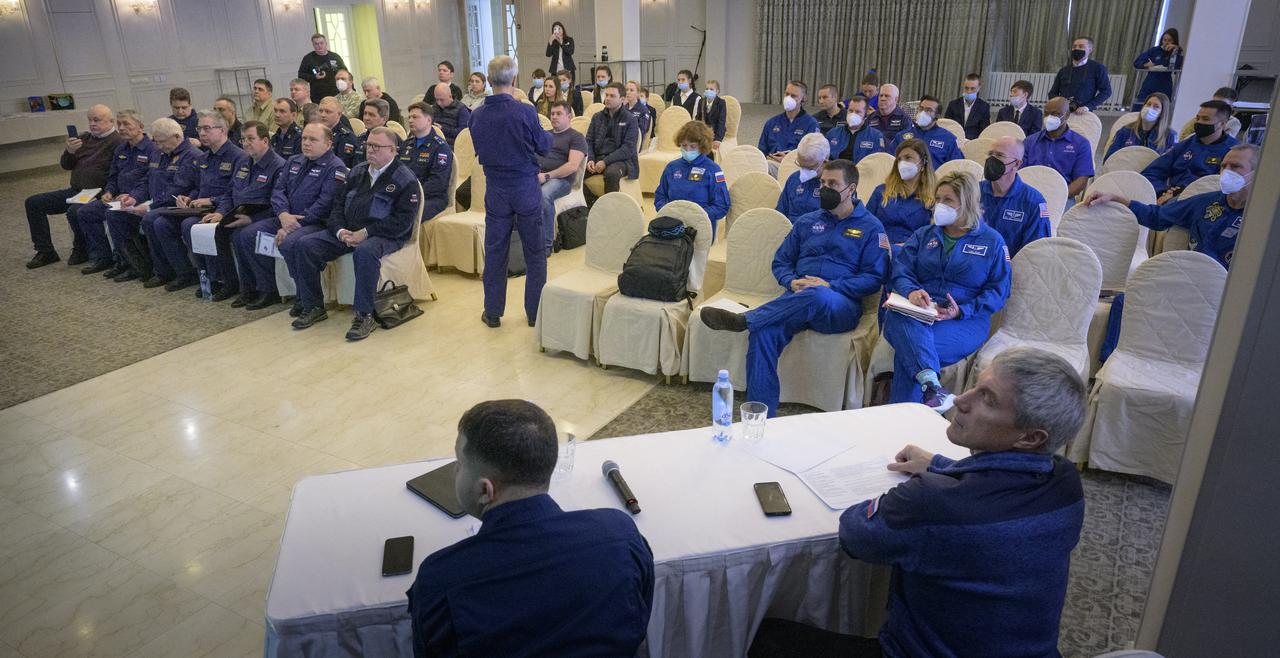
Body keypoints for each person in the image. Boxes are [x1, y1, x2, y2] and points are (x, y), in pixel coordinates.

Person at [751, 347, 1086, 657]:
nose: (960, 399)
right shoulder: (1066, 483)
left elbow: (855, 534)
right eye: (975, 386)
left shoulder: (933, 501)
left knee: (764, 636)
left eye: (988, 399)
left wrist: (921, 489)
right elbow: (997, 486)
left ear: (1030, 437)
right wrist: (942, 465)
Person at [406, 399, 654, 657]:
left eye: (459, 463)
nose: (455, 470)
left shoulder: (441, 578)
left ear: (484, 489)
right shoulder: (619, 535)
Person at [699, 160, 890, 416]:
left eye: (833, 184)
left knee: (817, 294)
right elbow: (781, 262)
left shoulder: (871, 227)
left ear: (851, 188)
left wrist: (831, 284)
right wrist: (790, 280)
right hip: (797, 299)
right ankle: (760, 412)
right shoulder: (807, 222)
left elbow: (874, 278)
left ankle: (746, 319)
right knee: (763, 332)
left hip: (838, 305)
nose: (824, 188)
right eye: (823, 183)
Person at [881, 172, 1011, 410]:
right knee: (894, 315)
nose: (939, 205)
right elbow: (901, 270)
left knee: (909, 353)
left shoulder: (992, 242)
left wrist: (962, 310)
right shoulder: (924, 235)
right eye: (938, 198)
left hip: (965, 320)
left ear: (967, 203)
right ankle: (932, 390)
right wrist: (911, 291)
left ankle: (905, 414)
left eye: (948, 200)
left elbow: (998, 291)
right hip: (919, 311)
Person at [287, 127, 418, 340]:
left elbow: (402, 222)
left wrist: (366, 233)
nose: (370, 150)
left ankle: (364, 315)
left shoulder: (404, 179)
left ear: (393, 150)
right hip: (349, 230)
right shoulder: (357, 172)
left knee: (365, 252)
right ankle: (313, 306)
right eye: (368, 145)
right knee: (305, 244)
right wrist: (340, 231)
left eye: (377, 147)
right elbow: (337, 206)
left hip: (385, 235)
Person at [471, 56, 552, 328]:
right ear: (514, 80)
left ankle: (492, 311)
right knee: (534, 252)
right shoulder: (525, 111)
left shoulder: (477, 115)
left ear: (489, 81)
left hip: (495, 188)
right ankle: (535, 312)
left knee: (495, 251)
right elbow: (543, 146)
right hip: (525, 186)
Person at [1090, 143, 1256, 270]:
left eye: (1235, 167)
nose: (1226, 172)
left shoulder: (1263, 220)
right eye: (1223, 166)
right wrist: (1116, 198)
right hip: (1189, 277)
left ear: (1258, 172)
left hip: (1231, 293)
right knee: (1122, 302)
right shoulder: (1207, 202)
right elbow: (1157, 217)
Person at [242, 122, 348, 311]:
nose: (306, 143)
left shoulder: (335, 168)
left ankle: (305, 298)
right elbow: (278, 191)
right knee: (248, 235)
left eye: (313, 139)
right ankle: (268, 289)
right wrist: (283, 214)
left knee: (290, 243)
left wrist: (291, 225)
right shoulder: (294, 161)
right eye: (305, 138)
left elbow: (324, 205)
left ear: (328, 144)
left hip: (314, 222)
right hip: (286, 217)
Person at [142, 109, 245, 292]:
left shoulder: (238, 157)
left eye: (207, 128)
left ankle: (218, 279)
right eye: (199, 129)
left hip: (223, 208)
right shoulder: (204, 157)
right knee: (161, 223)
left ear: (222, 130)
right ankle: (186, 273)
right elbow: (199, 186)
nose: (202, 133)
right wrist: (189, 197)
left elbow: (235, 192)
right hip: (199, 207)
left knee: (190, 225)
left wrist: (212, 202)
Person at [191, 121, 286, 303]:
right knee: (214, 229)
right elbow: (229, 192)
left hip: (267, 216)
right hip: (239, 213)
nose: (246, 143)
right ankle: (234, 284)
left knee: (244, 235)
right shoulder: (243, 161)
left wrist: (251, 219)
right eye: (243, 139)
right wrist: (220, 213)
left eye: (251, 139)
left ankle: (268, 289)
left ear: (265, 141)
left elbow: (278, 202)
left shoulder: (278, 166)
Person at [24, 104, 123, 269]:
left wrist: (108, 192)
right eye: (90, 120)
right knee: (33, 203)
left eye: (97, 120)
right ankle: (45, 251)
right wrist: (69, 151)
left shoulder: (117, 142)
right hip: (76, 191)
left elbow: (117, 173)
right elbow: (66, 165)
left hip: (99, 193)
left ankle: (81, 248)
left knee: (75, 211)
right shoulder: (84, 138)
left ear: (111, 121)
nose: (92, 124)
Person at [107, 118, 200, 283]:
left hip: (176, 205)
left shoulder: (192, 156)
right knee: (115, 214)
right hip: (154, 202)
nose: (158, 146)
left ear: (177, 137)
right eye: (156, 142)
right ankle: (138, 266)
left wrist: (149, 206)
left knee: (152, 220)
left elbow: (178, 188)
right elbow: (147, 180)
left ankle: (171, 272)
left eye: (162, 142)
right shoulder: (159, 153)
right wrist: (134, 197)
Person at [75, 110, 161, 276]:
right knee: (85, 212)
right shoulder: (121, 149)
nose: (121, 128)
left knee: (114, 215)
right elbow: (113, 176)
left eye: (126, 124)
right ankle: (104, 257)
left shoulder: (152, 150)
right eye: (119, 124)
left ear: (140, 126)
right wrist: (109, 191)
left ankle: (132, 264)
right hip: (118, 198)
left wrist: (133, 196)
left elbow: (148, 181)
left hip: (141, 199)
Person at [1144, 99, 1239, 200]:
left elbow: (1221, 187)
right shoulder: (1186, 144)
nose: (1199, 122)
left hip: (1200, 201)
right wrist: (1162, 191)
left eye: (1205, 119)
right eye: (1197, 118)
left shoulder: (1233, 152)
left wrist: (1181, 193)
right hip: (1168, 196)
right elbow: (1152, 172)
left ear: (1222, 124)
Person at [655, 122, 730, 239]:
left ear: (702, 146)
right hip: (672, 226)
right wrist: (668, 212)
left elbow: (722, 205)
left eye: (693, 146)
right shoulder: (672, 167)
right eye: (684, 145)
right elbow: (660, 196)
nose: (688, 150)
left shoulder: (713, 170)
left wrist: (695, 216)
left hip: (700, 228)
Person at [981, 136, 1051, 257]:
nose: (991, 159)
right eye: (990, 154)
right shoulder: (973, 192)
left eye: (999, 155)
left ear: (1017, 164)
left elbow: (1035, 252)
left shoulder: (1033, 202)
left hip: (1011, 270)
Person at [867, 138, 937, 253]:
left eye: (908, 158)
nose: (902, 163)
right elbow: (866, 223)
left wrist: (906, 246)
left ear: (923, 162)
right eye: (899, 159)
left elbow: (934, 235)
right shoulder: (881, 191)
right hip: (877, 248)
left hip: (914, 252)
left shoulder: (934, 196)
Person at [537, 101, 587, 254]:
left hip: (562, 181)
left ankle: (546, 245)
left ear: (569, 116)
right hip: (538, 174)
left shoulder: (576, 137)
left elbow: (572, 166)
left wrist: (546, 176)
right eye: (552, 114)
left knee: (544, 195)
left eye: (559, 114)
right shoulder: (546, 135)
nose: (554, 117)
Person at [1023, 97, 1094, 198]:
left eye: (1055, 114)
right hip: (1029, 196)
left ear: (1067, 115)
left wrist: (1058, 199)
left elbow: (1081, 180)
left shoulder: (1081, 144)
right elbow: (1020, 173)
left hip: (1063, 197)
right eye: (1046, 113)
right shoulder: (1029, 141)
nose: (1049, 118)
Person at [583, 82, 639, 206]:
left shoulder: (630, 119)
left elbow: (628, 148)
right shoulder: (597, 117)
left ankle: (610, 208)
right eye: (606, 95)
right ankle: (591, 202)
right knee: (575, 171)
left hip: (621, 160)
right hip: (598, 158)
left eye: (612, 96)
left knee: (611, 174)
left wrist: (605, 162)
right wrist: (590, 159)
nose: (607, 98)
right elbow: (589, 141)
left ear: (622, 99)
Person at [399, 102, 454, 223]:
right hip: (405, 195)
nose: (410, 120)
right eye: (409, 117)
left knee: (403, 212)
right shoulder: (406, 145)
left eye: (415, 117)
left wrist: (411, 194)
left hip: (430, 199)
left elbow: (437, 182)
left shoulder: (440, 147)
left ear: (429, 120)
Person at [759, 80, 820, 174]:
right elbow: (761, 150)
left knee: (765, 168)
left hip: (796, 167)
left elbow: (812, 156)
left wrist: (789, 159)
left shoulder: (811, 124)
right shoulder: (771, 123)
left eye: (793, 96)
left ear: (803, 99)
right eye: (787, 94)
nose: (788, 98)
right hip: (771, 162)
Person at [890, 95, 962, 168]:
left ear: (937, 116)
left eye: (928, 110)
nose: (922, 113)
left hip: (934, 177)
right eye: (921, 109)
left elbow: (957, 166)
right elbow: (889, 160)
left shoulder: (948, 139)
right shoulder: (902, 136)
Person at [774, 133, 830, 223]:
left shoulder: (836, 185)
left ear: (824, 162)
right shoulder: (794, 179)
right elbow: (780, 213)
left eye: (809, 167)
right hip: (791, 231)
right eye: (801, 165)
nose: (804, 171)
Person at [1049, 36, 1111, 114]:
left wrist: (1088, 107)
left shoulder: (1098, 68)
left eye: (1081, 46)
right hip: (1062, 112)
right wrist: (1059, 105)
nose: (1077, 49)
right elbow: (1052, 93)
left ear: (1090, 50)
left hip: (1083, 113)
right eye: (1074, 46)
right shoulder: (1064, 70)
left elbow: (1106, 91)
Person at [1105, 92, 1177, 160]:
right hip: (1126, 170)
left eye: (1156, 106)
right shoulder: (1125, 131)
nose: (1150, 109)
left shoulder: (1170, 136)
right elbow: (1109, 158)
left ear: (1162, 113)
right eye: (1148, 104)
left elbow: (1172, 163)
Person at [824, 95, 885, 165]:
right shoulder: (833, 133)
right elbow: (824, 159)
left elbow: (877, 162)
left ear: (865, 115)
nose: (853, 115)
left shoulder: (875, 136)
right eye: (850, 111)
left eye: (858, 112)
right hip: (835, 172)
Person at [1132, 28, 1183, 110]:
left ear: (1174, 41)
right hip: (1150, 82)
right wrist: (1145, 64)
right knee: (1140, 106)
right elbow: (1137, 62)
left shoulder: (1177, 52)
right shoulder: (1155, 50)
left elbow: (1177, 66)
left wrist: (1176, 50)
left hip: (1164, 84)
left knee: (1161, 108)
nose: (1166, 42)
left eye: (1169, 40)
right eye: (1164, 40)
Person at [1178, 87, 1243, 141]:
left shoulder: (1234, 122)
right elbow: (1182, 136)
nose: (1217, 106)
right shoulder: (1200, 117)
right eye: (1214, 102)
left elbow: (1220, 141)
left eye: (1222, 105)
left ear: (1231, 107)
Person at [298, 33, 346, 103]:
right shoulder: (308, 58)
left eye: (321, 43)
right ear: (313, 45)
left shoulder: (335, 57)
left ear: (326, 43)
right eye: (316, 44)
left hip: (336, 94)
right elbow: (301, 75)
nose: (319, 46)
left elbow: (345, 73)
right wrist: (314, 77)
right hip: (318, 97)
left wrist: (351, 89)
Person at [943, 73, 991, 140]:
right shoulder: (953, 104)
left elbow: (984, 130)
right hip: (953, 140)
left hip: (972, 142)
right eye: (966, 88)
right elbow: (946, 125)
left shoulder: (984, 107)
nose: (969, 91)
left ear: (979, 88)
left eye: (973, 88)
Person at [352, 98, 397, 164]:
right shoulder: (360, 139)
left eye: (371, 115)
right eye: (365, 113)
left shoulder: (393, 140)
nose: (366, 118)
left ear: (384, 119)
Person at [317, 97, 359, 167]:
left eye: (327, 112)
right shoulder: (317, 132)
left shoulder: (346, 137)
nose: (323, 115)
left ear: (339, 114)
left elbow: (341, 166)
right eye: (320, 111)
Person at [695, 80, 728, 150]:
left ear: (717, 92)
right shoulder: (701, 101)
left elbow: (721, 122)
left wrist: (718, 139)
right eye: (707, 89)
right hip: (703, 132)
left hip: (715, 132)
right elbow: (698, 118)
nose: (708, 91)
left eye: (711, 89)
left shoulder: (721, 103)